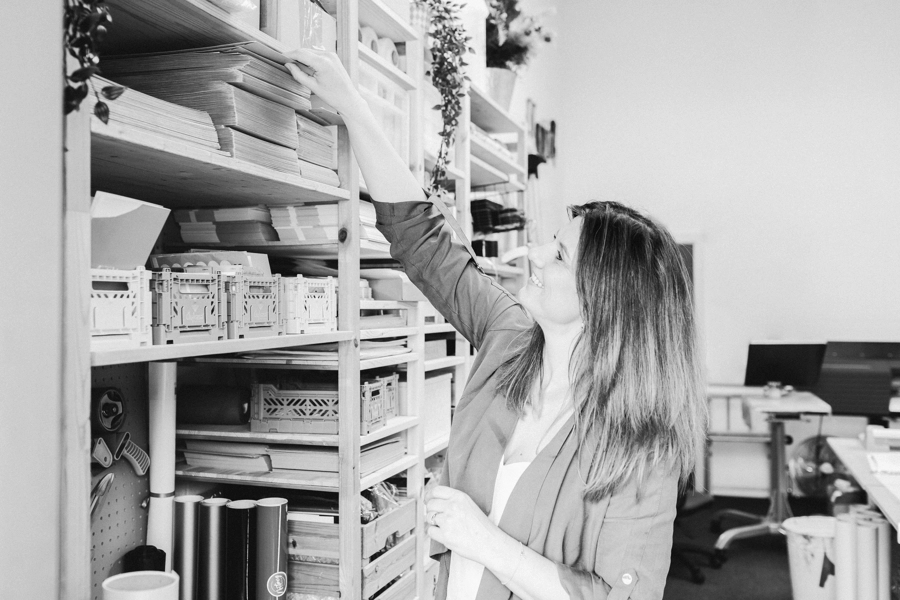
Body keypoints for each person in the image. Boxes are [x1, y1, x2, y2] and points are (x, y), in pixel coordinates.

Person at [286, 49, 707, 600]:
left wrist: (486, 542)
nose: (530, 251)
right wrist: (352, 107)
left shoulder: (640, 446)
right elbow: (425, 243)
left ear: (605, 301)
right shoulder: (508, 337)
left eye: (557, 255)